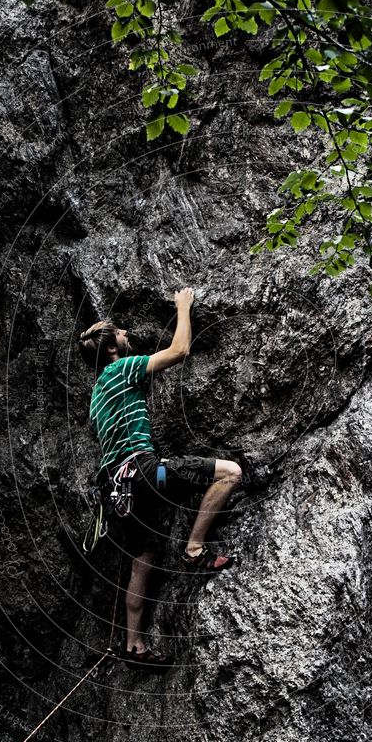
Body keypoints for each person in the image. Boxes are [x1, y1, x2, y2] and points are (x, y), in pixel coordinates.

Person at [78, 287, 242, 670]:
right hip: (144, 473)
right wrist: (183, 307)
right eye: (119, 332)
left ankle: (133, 645)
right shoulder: (120, 369)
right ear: (111, 349)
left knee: (143, 558)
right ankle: (195, 549)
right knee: (230, 473)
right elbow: (179, 351)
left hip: (118, 493)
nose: (126, 333)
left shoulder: (95, 399)